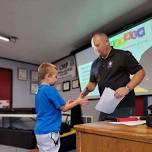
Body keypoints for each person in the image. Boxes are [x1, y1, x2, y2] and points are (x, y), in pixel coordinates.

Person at [80, 33, 145, 121]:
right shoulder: (95, 64)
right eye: (94, 47)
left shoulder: (122, 55)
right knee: (101, 133)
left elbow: (140, 72)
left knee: (122, 134)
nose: (95, 49)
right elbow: (92, 83)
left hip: (124, 106)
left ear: (107, 42)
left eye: (97, 45)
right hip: (105, 107)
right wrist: (83, 93)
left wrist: (127, 88)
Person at [34, 62, 88, 152]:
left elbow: (53, 106)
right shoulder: (50, 89)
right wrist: (78, 101)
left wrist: (70, 102)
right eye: (55, 76)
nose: (57, 79)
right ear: (48, 76)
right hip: (49, 131)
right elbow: (64, 108)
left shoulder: (39, 90)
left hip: (40, 131)